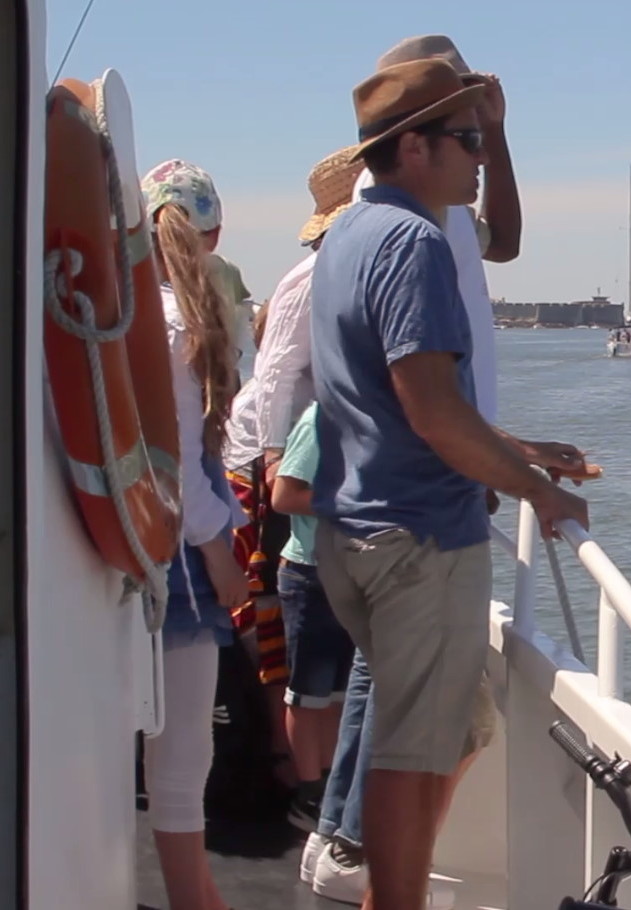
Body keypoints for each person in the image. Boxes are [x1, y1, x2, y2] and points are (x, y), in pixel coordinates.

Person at [310, 58, 589, 910]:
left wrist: (513, 453)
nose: (477, 161)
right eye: (468, 142)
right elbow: (431, 412)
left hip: (352, 535)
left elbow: (393, 405)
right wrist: (537, 490)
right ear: (415, 147)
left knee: (411, 736)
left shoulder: (345, 240)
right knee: (410, 752)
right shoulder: (413, 245)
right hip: (418, 542)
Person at [232, 145, 368, 793]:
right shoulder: (312, 277)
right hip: (295, 463)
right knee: (282, 632)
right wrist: (277, 464)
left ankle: (309, 772)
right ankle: (290, 773)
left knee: (322, 663)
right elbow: (277, 373)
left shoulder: (344, 274)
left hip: (323, 464)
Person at [141, 159, 251, 910]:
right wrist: (220, 553)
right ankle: (193, 897)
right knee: (183, 748)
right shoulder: (184, 320)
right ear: (213, 234)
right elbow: (176, 464)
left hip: (129, 549)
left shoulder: (131, 313)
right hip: (179, 558)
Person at [270, 402, 354, 831]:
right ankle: (308, 792)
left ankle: (329, 787)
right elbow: (284, 495)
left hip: (350, 574)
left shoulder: (374, 414)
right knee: (307, 693)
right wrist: (356, 505)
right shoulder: (320, 417)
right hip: (309, 573)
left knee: (340, 693)